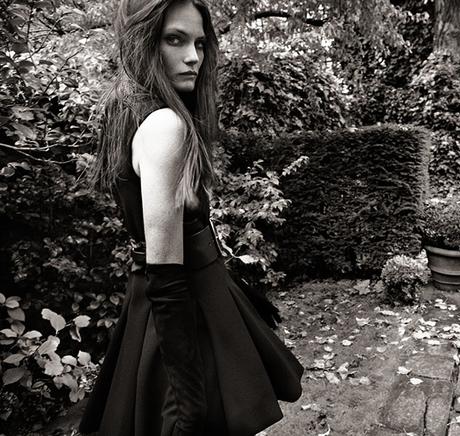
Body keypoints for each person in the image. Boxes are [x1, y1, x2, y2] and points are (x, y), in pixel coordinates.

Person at [79, 0, 303, 434]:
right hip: (185, 315)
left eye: (200, 43)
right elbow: (166, 275)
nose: (193, 57)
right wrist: (188, 403)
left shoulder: (128, 111)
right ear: (144, 41)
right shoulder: (165, 125)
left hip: (170, 303)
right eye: (175, 40)